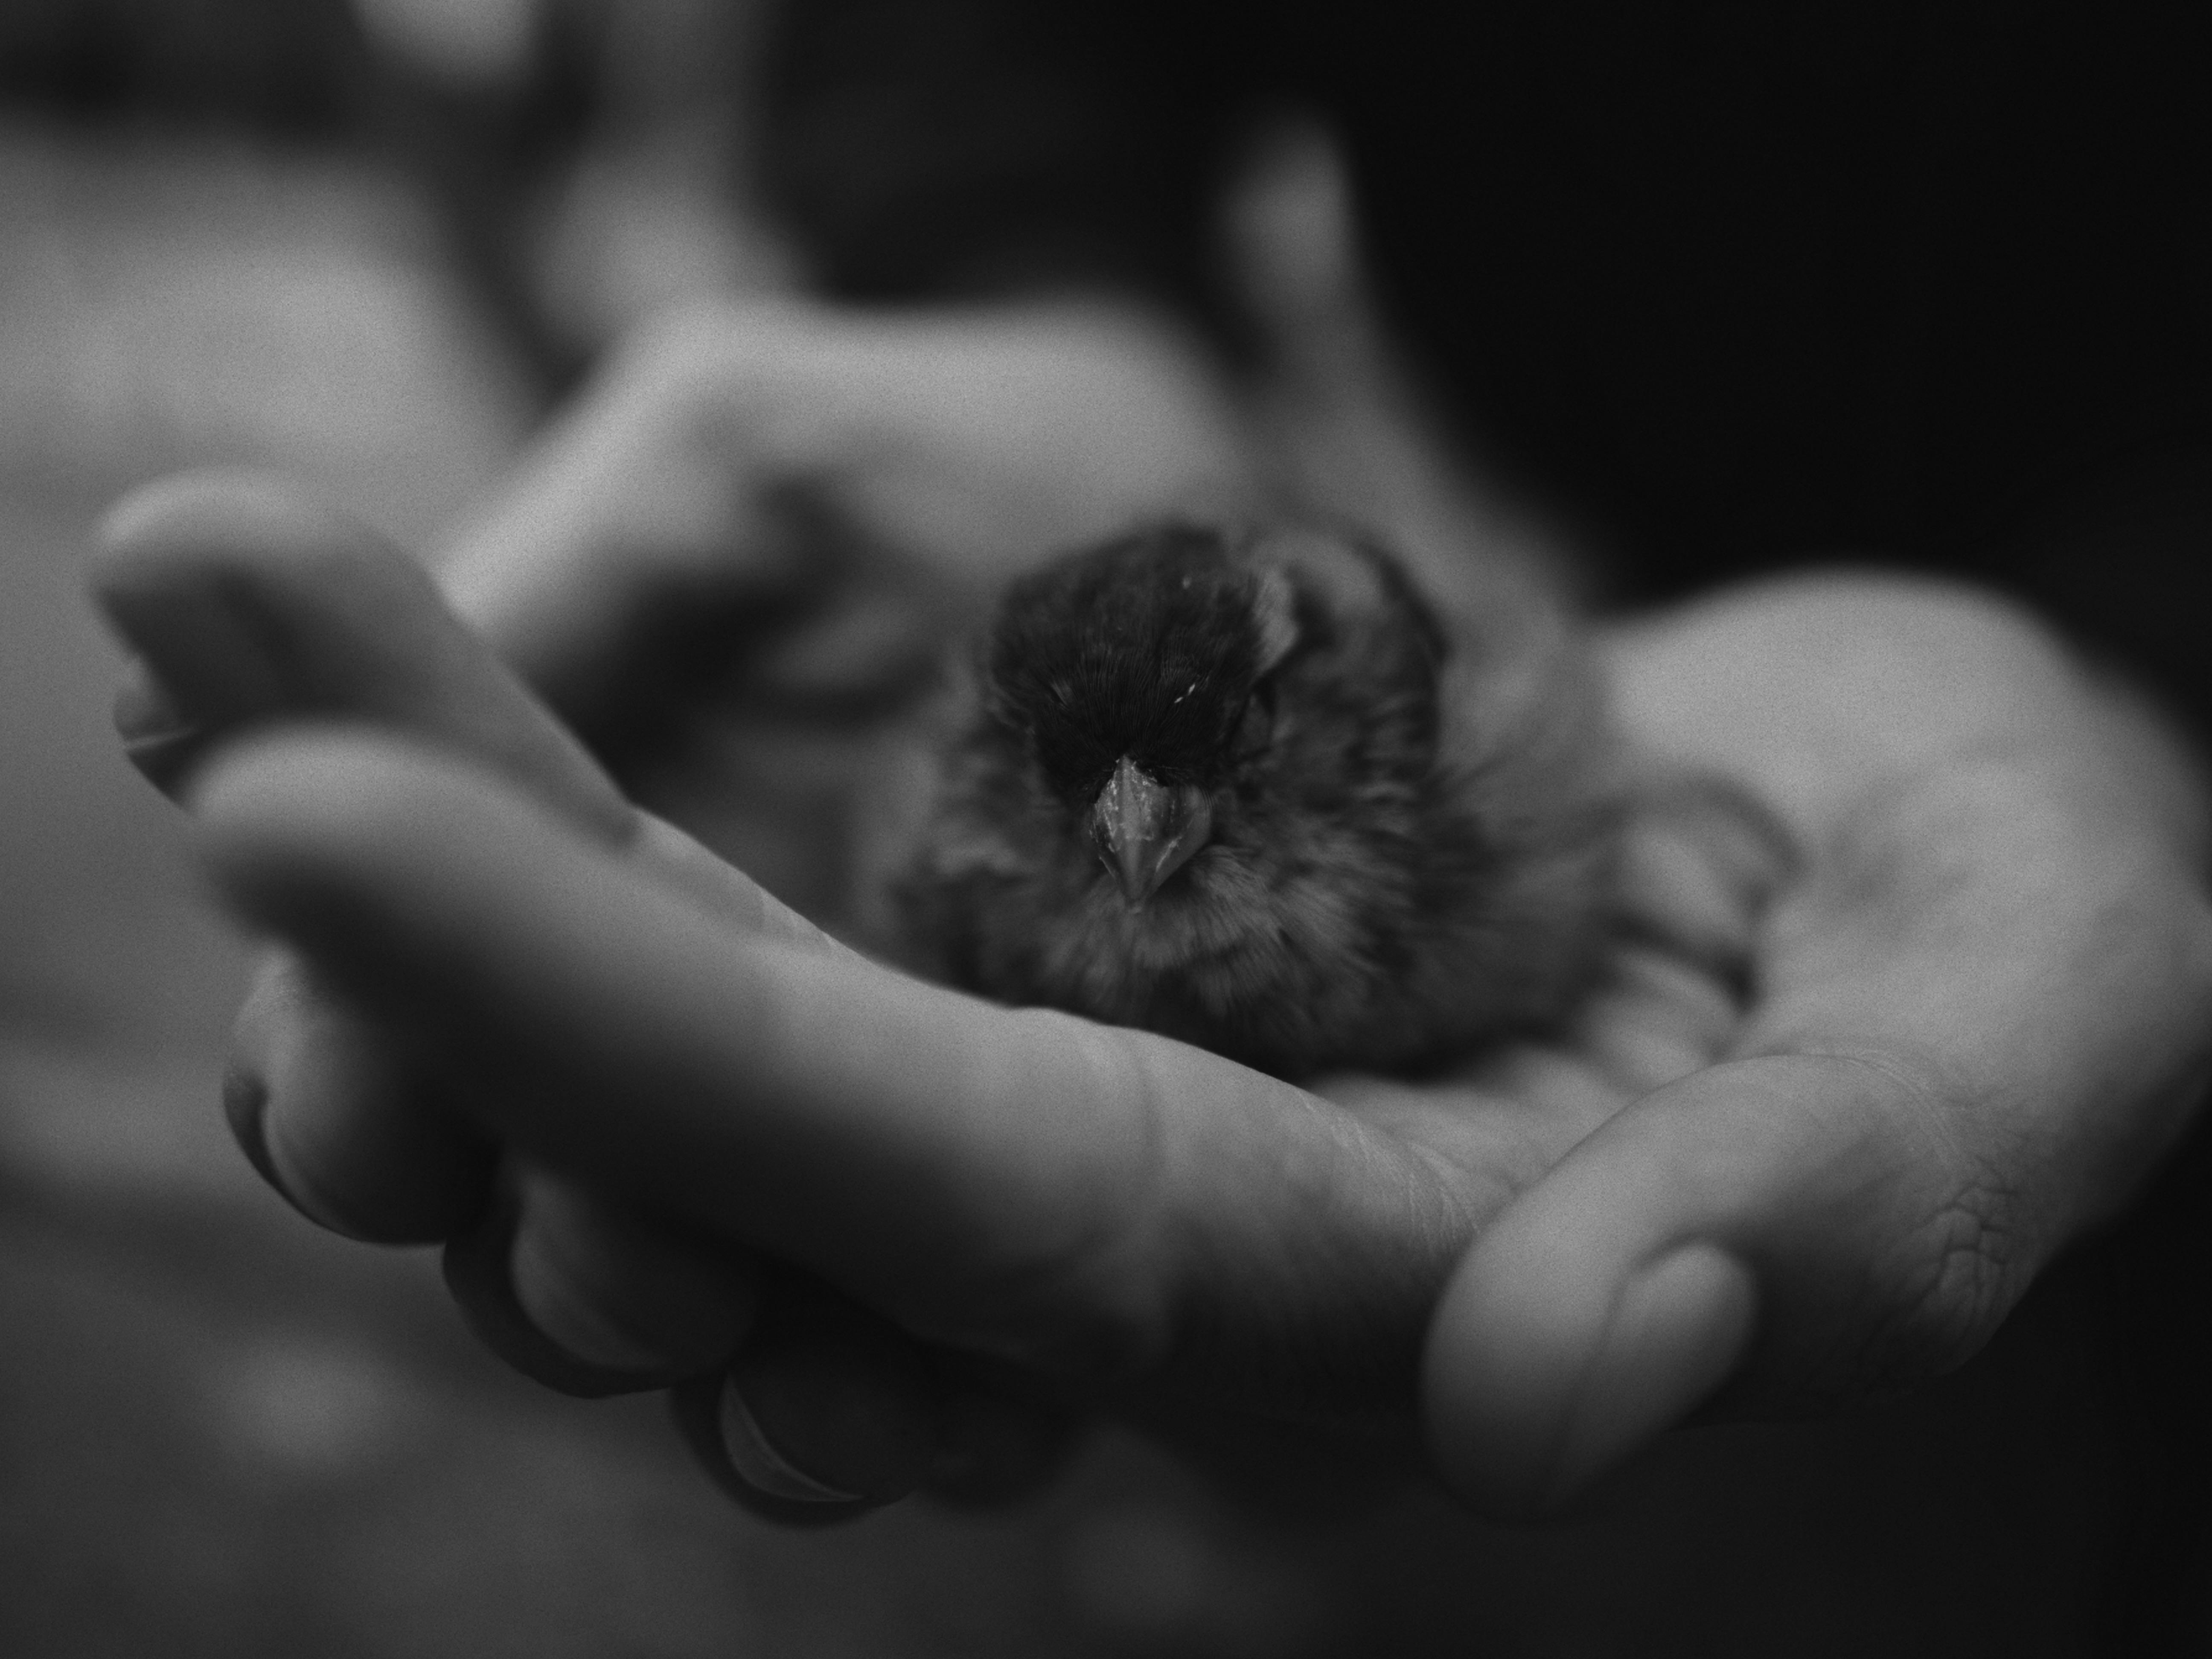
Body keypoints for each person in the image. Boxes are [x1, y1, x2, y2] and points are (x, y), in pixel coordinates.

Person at [89, 0, 2212, 1641]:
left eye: (1188, 771)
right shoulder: (1010, 790)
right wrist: (1018, 269)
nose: (1131, 835)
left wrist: (2149, 665)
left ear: (1313, 701)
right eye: (1077, 781)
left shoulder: (1457, 760)